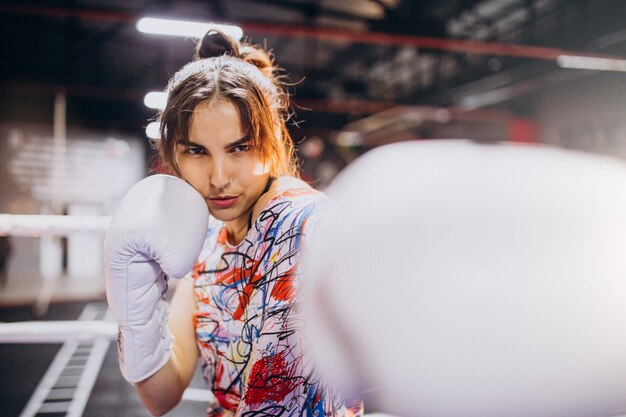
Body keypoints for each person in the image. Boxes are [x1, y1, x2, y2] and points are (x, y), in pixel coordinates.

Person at [104, 30, 364, 417]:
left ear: (272, 138)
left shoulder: (308, 225)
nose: (219, 177)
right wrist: (132, 311)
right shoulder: (206, 239)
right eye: (197, 151)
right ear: (174, 153)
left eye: (240, 147)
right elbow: (161, 396)